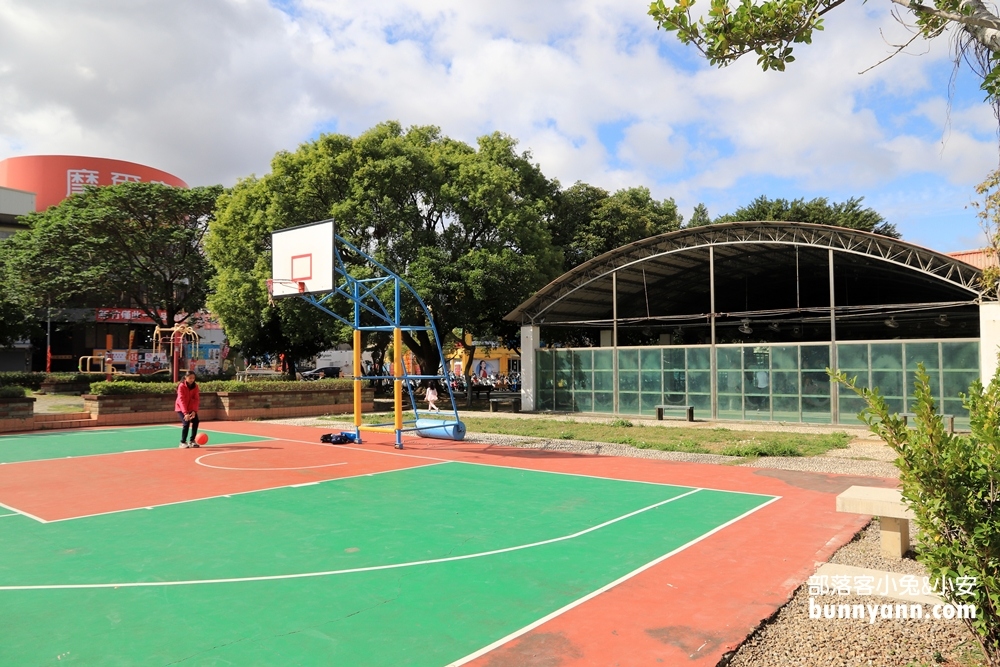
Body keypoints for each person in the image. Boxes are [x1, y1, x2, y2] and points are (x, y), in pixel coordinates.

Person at [175, 371, 201, 448]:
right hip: (181, 408)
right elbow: (181, 400)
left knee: (196, 421)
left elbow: (196, 399)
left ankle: (192, 441)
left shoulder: (195, 386)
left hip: (191, 408)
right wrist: (185, 413)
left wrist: (194, 411)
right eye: (190, 378)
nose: (192, 379)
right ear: (185, 378)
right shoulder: (181, 386)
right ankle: (182, 442)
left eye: (193, 378)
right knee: (186, 423)